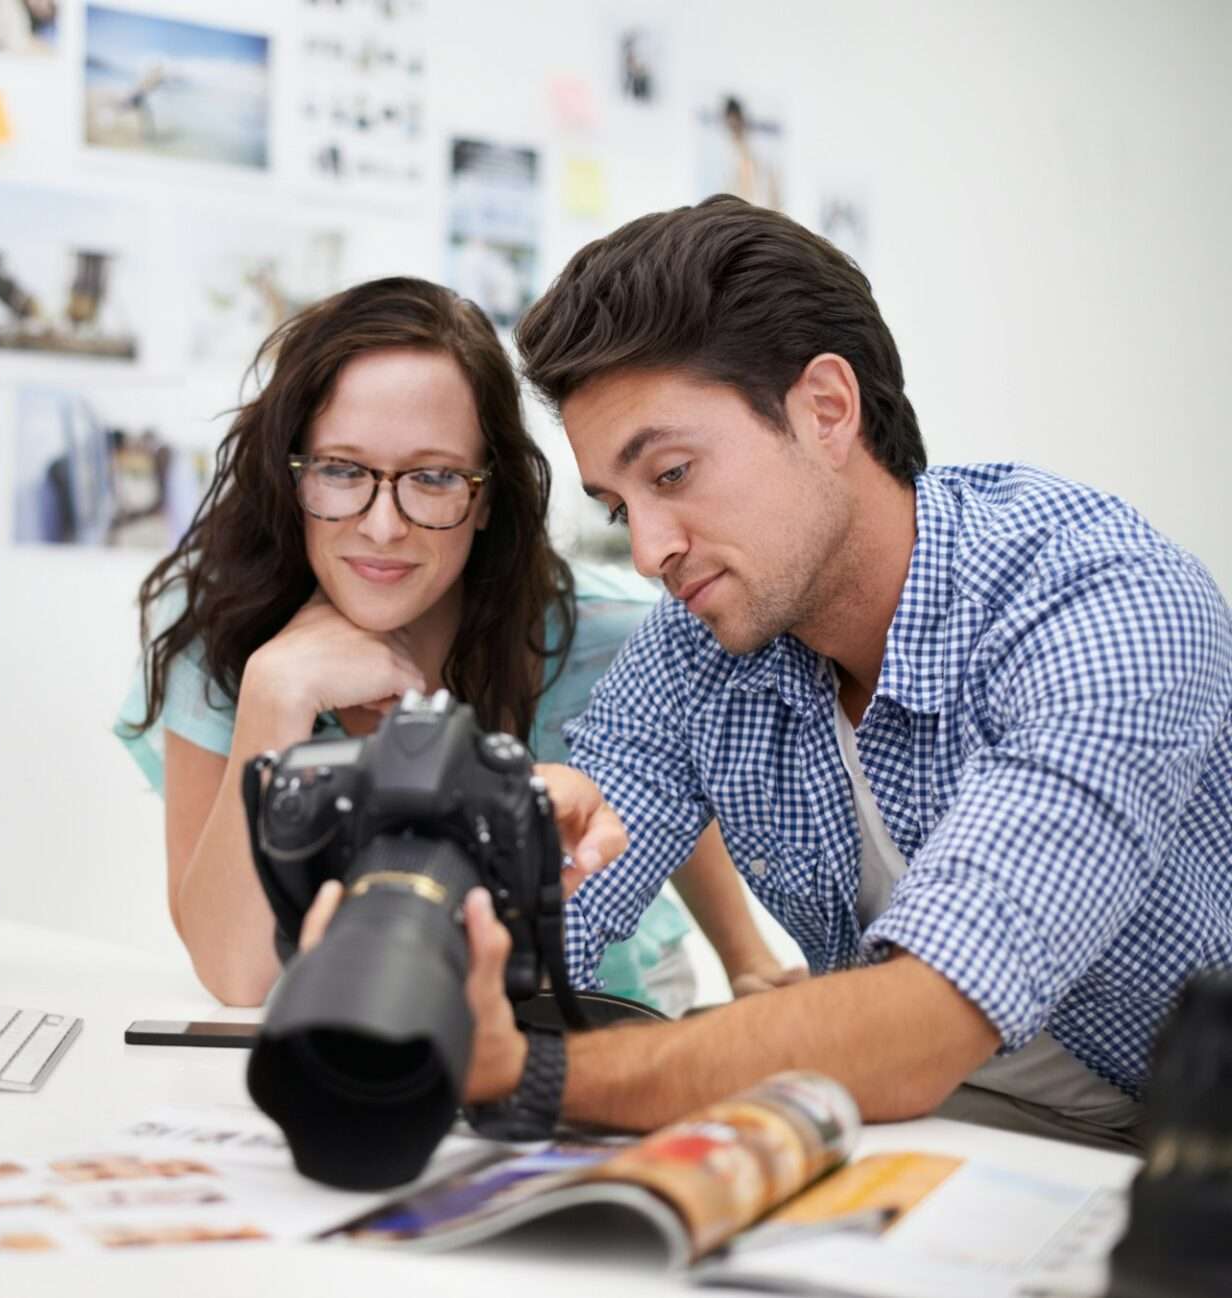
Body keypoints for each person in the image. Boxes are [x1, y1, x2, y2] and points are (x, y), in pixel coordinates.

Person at [309, 197, 1229, 1153]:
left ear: (826, 409)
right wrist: (467, 902)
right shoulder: (696, 648)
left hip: (1184, 1146)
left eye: (669, 474)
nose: (652, 550)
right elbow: (549, 925)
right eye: (621, 508)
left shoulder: (1106, 602)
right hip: (938, 1135)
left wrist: (531, 1075)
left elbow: (923, 1022)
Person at [117, 276, 793, 1012]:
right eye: (342, 470)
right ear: (293, 476)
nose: (382, 525)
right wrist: (275, 693)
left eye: (434, 477)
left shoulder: (612, 633)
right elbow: (234, 974)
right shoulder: (221, 628)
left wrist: (746, 958)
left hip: (594, 1012)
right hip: (348, 1032)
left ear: (486, 498)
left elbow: (665, 788)